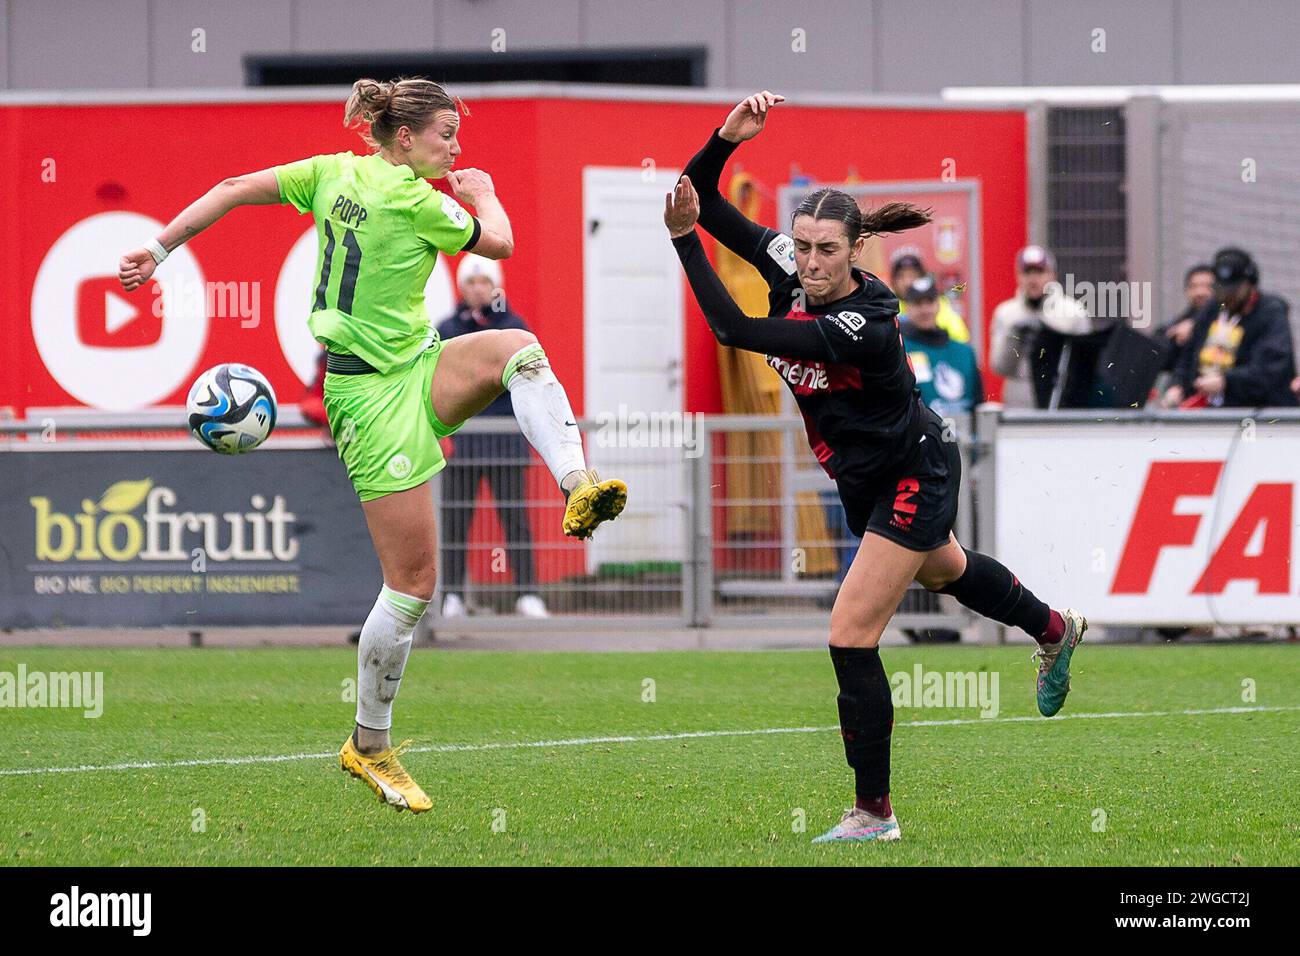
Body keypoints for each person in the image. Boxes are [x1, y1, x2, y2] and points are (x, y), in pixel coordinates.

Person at [117, 77, 627, 814]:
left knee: (518, 349)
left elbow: (230, 189)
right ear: (406, 137)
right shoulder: (418, 201)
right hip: (364, 398)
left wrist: (157, 249)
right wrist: (482, 192)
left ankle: (577, 484)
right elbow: (502, 242)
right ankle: (370, 744)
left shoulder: (330, 172)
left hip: (416, 365)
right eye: (446, 134)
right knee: (413, 584)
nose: (456, 147)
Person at [667, 91, 1086, 845]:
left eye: (827, 250)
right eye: (802, 246)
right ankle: (1055, 628)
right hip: (865, 477)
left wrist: (682, 243)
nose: (810, 262)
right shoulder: (788, 264)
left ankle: (873, 813)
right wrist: (726, 138)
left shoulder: (862, 323)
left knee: (850, 633)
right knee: (948, 571)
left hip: (914, 470)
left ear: (857, 249)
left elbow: (730, 327)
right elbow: (702, 198)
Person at [438, 254, 548, 619]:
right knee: (455, 521)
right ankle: (451, 595)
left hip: (505, 443)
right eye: (470, 282)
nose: (477, 289)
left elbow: (522, 382)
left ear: (495, 286)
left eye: (484, 281)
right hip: (461, 443)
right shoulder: (447, 329)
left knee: (515, 519)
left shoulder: (514, 328)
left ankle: (528, 594)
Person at [1163, 247, 1298, 409]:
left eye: (1233, 291)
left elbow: (1270, 368)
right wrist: (1177, 385)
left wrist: (1227, 381)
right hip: (1212, 410)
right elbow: (1188, 356)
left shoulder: (1270, 312)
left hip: (1261, 413)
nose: (1227, 297)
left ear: (1249, 284)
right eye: (1221, 290)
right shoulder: (1214, 308)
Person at [989, 245, 1091, 408]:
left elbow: (1086, 367)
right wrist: (1014, 338)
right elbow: (999, 368)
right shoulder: (1006, 313)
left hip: (1061, 403)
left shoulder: (1073, 312)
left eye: (1039, 272)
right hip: (1020, 407)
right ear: (1018, 276)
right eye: (1027, 272)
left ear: (1053, 274)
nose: (1033, 279)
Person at [890, 250, 970, 344]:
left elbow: (960, 340)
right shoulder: (888, 306)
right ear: (893, 281)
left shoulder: (939, 304)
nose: (907, 282)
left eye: (912, 276)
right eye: (901, 277)